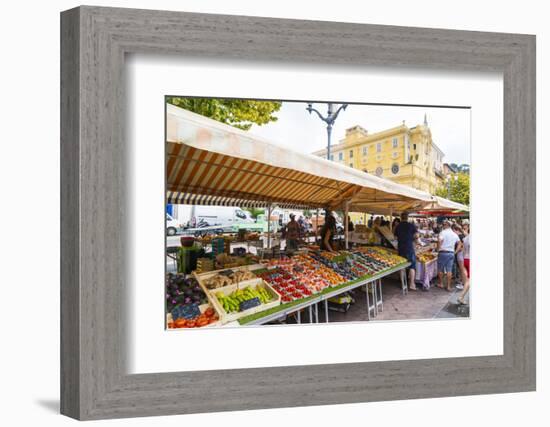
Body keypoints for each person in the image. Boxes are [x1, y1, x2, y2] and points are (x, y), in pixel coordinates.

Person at [394, 212, 419, 291]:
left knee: (402, 266)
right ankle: (411, 284)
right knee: (412, 266)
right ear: (407, 217)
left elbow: (394, 237)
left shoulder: (397, 226)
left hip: (401, 248)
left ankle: (403, 284)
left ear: (401, 218)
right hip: (409, 247)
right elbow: (417, 236)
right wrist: (414, 240)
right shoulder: (411, 225)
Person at [437, 220, 463, 292]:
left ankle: (441, 283)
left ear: (447, 225)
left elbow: (439, 241)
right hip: (451, 253)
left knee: (440, 269)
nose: (443, 226)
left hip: (443, 252)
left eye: (444, 224)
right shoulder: (454, 234)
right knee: (449, 270)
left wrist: (438, 249)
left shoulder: (443, 232)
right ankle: (448, 286)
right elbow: (460, 243)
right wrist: (455, 252)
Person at [458, 224, 470, 304]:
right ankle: (461, 296)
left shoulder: (466, 238)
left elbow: (464, 250)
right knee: (469, 281)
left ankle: (461, 297)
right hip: (470, 260)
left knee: (467, 281)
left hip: (465, 259)